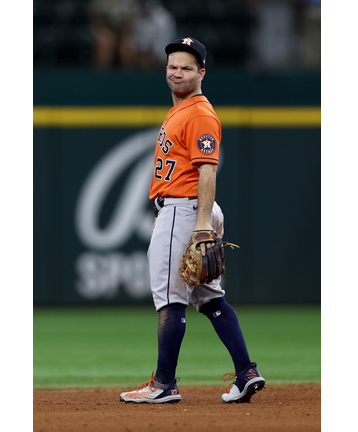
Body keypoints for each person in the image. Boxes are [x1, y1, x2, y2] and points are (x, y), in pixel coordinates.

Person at [119, 37, 265, 404]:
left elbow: (207, 171)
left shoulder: (199, 112)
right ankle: (246, 372)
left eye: (186, 67)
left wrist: (200, 225)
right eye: (172, 66)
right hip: (187, 210)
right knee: (209, 297)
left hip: (186, 209)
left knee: (170, 299)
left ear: (201, 73)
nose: (177, 73)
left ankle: (164, 383)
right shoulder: (182, 109)